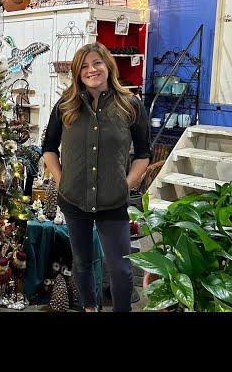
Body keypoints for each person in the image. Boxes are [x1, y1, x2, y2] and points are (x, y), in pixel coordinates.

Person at [42, 42, 151, 312]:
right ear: (78, 73)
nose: (92, 70)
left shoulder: (130, 104)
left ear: (108, 66)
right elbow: (48, 148)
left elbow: (143, 154)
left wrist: (127, 184)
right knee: (81, 262)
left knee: (121, 268)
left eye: (97, 63)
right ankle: (90, 308)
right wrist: (60, 179)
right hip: (74, 199)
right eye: (85, 66)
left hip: (113, 202)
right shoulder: (65, 105)